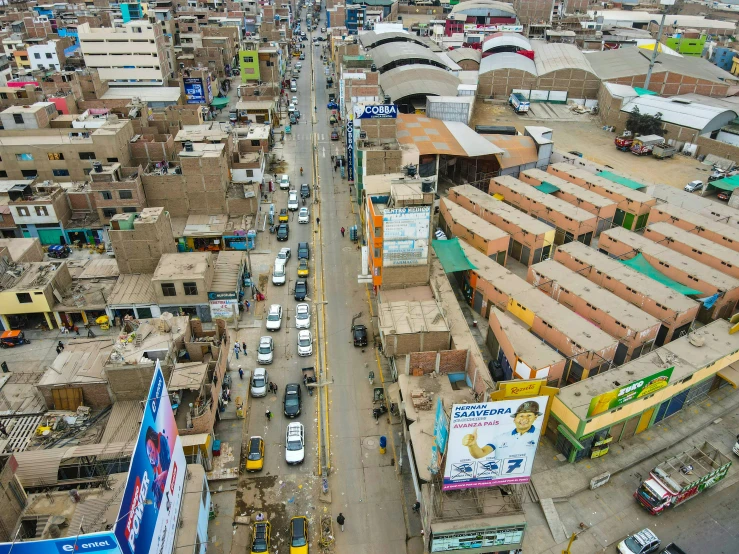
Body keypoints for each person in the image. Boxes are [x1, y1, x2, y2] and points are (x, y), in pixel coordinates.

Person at [461, 400, 543, 460]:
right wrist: (472, 445)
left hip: (523, 478)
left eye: (529, 415)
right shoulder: (500, 438)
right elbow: (480, 454)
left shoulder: (538, 435)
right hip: (499, 479)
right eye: (521, 416)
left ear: (535, 417)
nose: (525, 419)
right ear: (514, 419)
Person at [145, 426, 171, 506]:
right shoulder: (154, 474)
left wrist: (165, 474)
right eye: (149, 454)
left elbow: (175, 465)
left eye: (151, 450)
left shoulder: (163, 450)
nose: (151, 457)